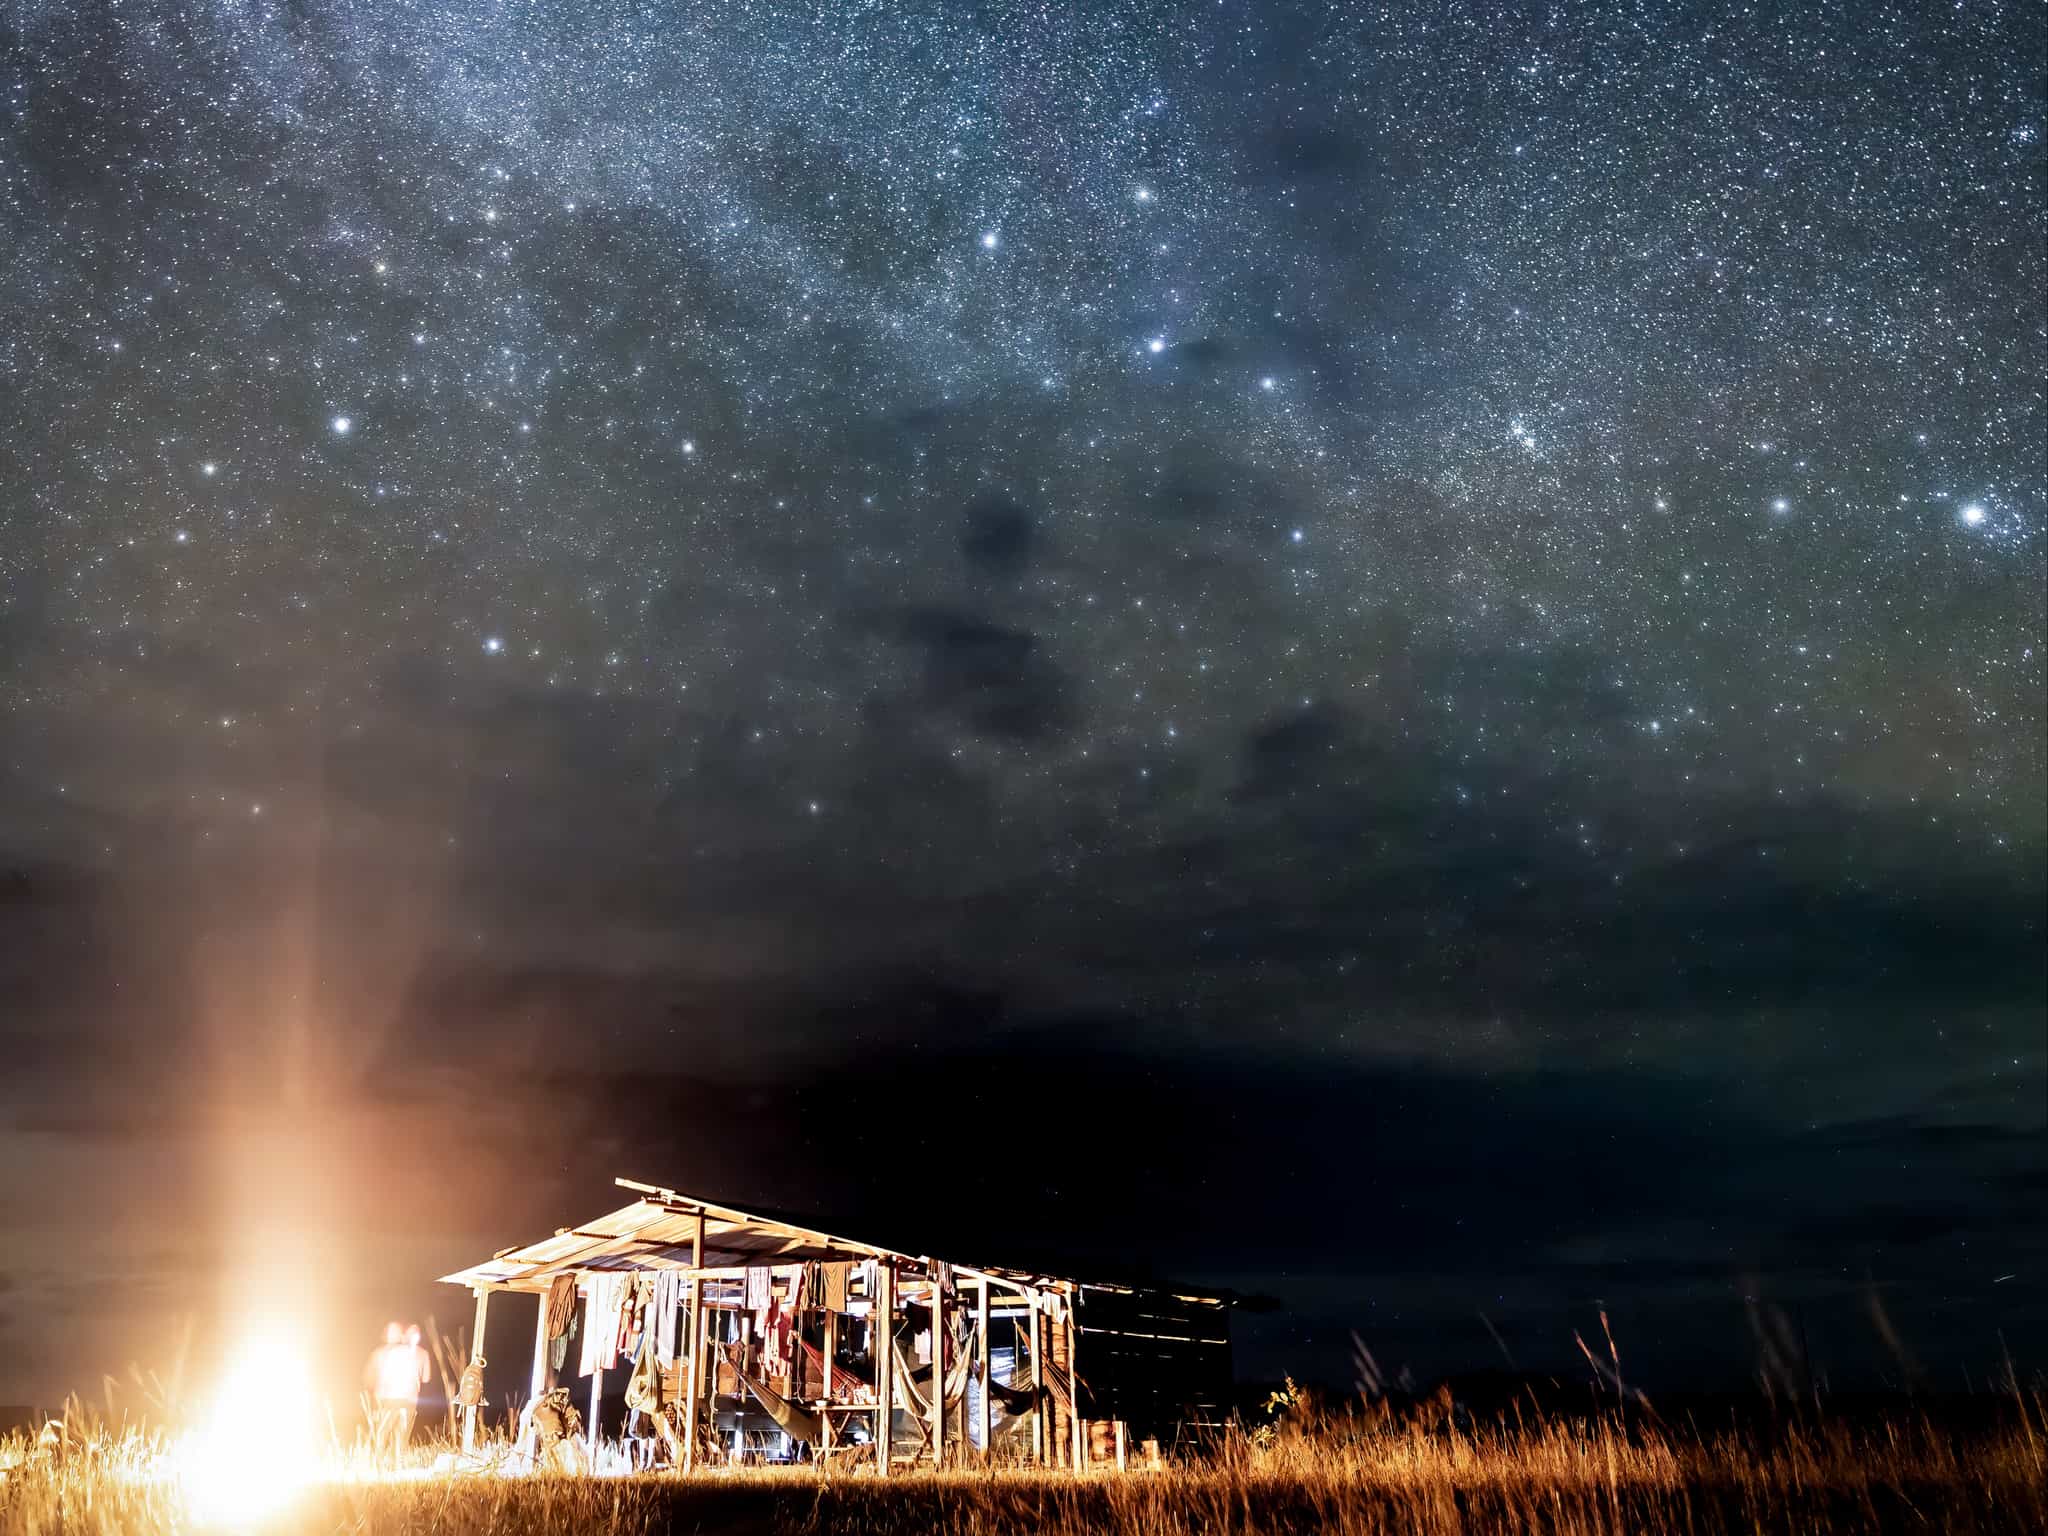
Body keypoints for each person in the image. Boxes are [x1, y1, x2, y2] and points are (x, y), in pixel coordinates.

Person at [364, 1320, 431, 1466]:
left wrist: (378, 1394)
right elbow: (426, 1378)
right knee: (401, 1436)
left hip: (391, 1399)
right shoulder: (423, 1353)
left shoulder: (391, 1352)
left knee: (382, 1433)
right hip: (410, 1400)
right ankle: (397, 1468)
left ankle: (377, 1465)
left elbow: (383, 1376)